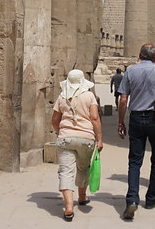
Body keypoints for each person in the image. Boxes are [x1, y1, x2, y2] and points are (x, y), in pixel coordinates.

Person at [117, 43, 155, 220]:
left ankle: (132, 200)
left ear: (139, 56)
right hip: (154, 118)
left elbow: (123, 99)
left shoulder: (130, 71)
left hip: (135, 118)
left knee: (134, 161)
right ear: (154, 57)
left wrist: (120, 122)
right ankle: (151, 199)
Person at [52, 69, 103, 222]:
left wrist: (59, 132)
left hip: (66, 138)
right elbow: (94, 118)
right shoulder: (89, 96)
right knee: (83, 168)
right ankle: (82, 197)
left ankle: (68, 206)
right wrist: (99, 139)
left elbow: (55, 120)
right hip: (86, 138)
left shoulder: (62, 96)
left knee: (66, 172)